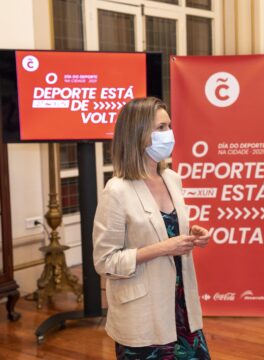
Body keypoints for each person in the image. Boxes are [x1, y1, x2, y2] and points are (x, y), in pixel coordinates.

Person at [93, 97, 211, 359]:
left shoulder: (172, 178)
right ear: (137, 134)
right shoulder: (117, 191)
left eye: (169, 126)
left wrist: (193, 232)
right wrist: (161, 248)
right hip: (143, 313)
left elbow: (163, 226)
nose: (168, 134)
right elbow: (105, 261)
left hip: (181, 307)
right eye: (160, 128)